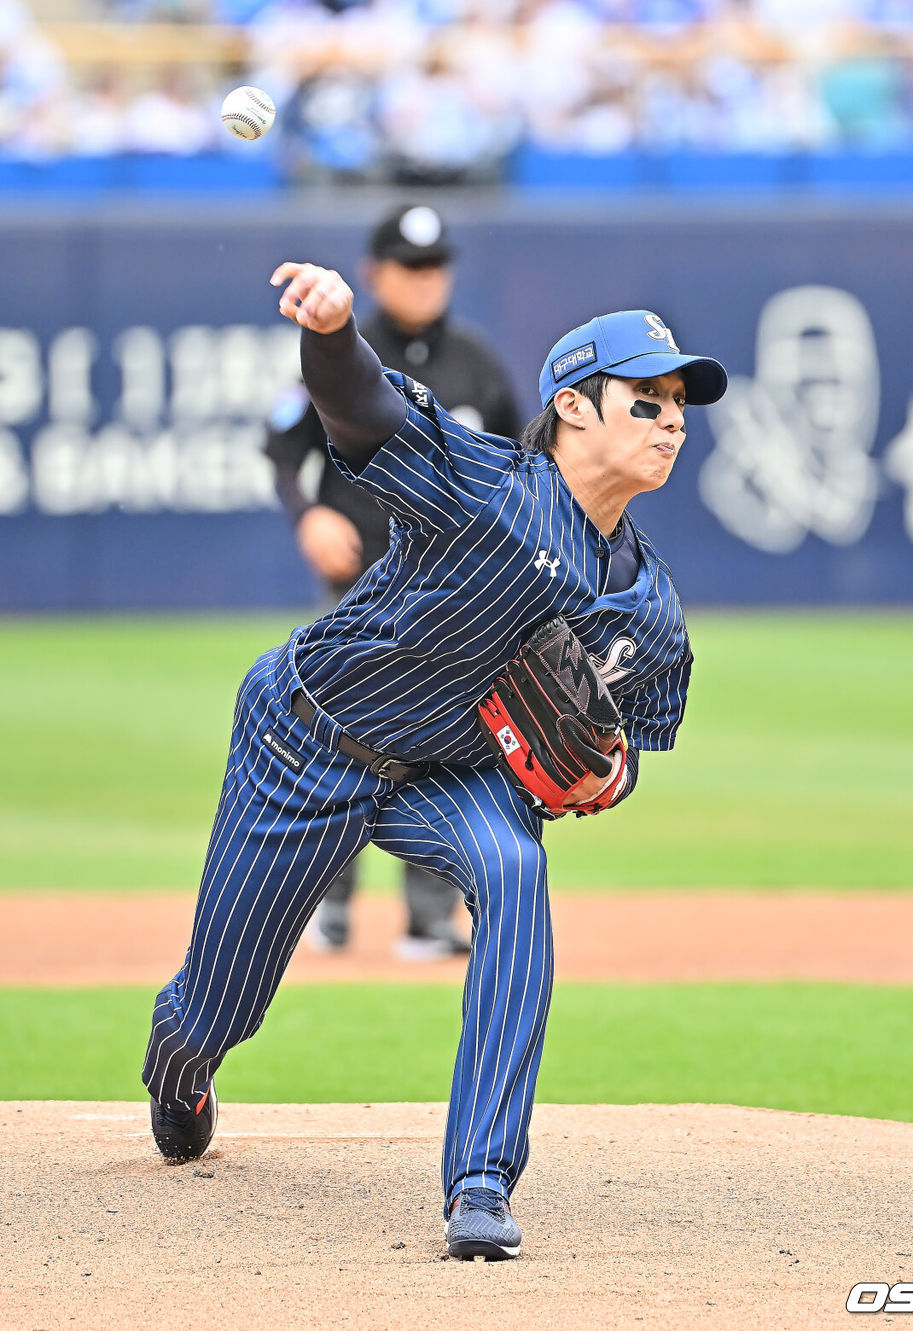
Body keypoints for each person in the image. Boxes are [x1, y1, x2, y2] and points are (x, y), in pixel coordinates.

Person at [144, 258, 727, 1261]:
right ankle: (179, 1067)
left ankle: (482, 1178)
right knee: (218, 1006)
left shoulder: (651, 611)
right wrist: (329, 331)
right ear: (574, 409)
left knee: (514, 865)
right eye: (648, 398)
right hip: (307, 737)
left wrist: (604, 773)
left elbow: (627, 750)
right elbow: (362, 407)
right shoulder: (483, 484)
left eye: (680, 403)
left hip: (449, 776)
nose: (672, 419)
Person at [264, 203, 520, 960]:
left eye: (436, 265)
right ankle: (326, 909)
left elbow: (519, 464)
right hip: (361, 585)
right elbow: (282, 444)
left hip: (452, 592)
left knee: (442, 743)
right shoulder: (343, 351)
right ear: (375, 273)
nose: (425, 279)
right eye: (410, 266)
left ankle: (430, 918)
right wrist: (308, 515)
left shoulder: (477, 360)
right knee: (337, 742)